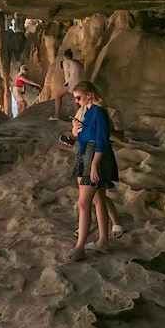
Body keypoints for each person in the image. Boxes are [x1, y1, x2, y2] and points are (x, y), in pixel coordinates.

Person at [66, 81, 120, 262]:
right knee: (98, 199)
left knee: (83, 203)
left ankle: (80, 247)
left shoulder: (97, 112)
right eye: (75, 98)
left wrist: (95, 164)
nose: (77, 102)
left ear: (89, 95)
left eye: (79, 97)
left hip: (94, 156)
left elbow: (101, 140)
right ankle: (103, 241)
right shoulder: (87, 111)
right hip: (85, 154)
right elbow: (81, 135)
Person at [51, 49, 85, 121]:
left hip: (73, 82)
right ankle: (78, 117)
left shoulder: (66, 62)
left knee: (58, 96)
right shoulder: (77, 63)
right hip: (81, 82)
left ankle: (56, 114)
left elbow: (67, 75)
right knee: (75, 99)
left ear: (64, 56)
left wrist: (66, 85)